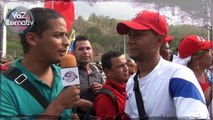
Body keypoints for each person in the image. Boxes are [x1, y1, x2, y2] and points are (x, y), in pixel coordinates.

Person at [116, 10, 209, 119]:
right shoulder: (131, 82)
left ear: (159, 40)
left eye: (138, 35)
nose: (130, 41)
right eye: (130, 35)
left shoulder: (178, 76)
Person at [0, 8, 82, 119]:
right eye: (58, 35)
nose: (67, 42)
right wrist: (58, 106)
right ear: (32, 39)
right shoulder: (5, 87)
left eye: (66, 35)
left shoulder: (66, 76)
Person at [173, 35, 213, 106]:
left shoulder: (206, 73)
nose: (211, 53)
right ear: (196, 58)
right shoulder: (185, 82)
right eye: (208, 51)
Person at [72, 35, 105, 119]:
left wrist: (102, 90)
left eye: (88, 48)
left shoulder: (97, 72)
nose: (85, 52)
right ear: (73, 53)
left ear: (92, 52)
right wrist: (79, 103)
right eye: (81, 49)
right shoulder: (69, 73)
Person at [94, 51, 129, 119]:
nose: (126, 69)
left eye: (126, 64)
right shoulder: (106, 98)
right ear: (108, 72)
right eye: (121, 66)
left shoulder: (129, 88)